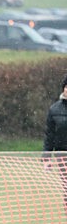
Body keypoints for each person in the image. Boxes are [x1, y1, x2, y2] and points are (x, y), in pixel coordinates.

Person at [43, 74, 67, 210]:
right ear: (63, 89)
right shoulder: (54, 109)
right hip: (62, 153)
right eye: (66, 87)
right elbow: (49, 135)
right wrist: (46, 158)